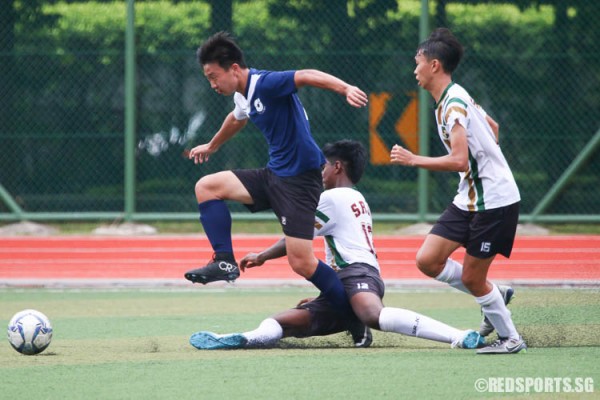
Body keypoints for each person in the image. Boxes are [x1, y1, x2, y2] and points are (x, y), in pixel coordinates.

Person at [189, 140, 484, 350]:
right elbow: (301, 236)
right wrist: (265, 256)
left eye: (323, 166)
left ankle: (458, 336)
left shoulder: (332, 198)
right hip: (341, 284)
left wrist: (264, 255)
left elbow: (296, 235)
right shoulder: (355, 197)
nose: (319, 171)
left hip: (356, 275)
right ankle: (241, 338)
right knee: (286, 322)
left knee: (372, 313)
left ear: (337, 166)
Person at [183, 32, 368, 313]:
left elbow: (305, 74)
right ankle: (224, 261)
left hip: (301, 181)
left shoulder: (266, 83)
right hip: (274, 175)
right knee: (207, 186)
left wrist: (344, 89)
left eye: (213, 76)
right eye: (208, 78)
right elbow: (236, 118)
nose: (212, 84)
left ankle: (351, 315)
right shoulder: (243, 95)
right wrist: (212, 145)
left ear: (234, 68)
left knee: (302, 263)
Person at [390, 28, 526, 354]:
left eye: (418, 63)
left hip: (493, 201)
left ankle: (511, 339)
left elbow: (460, 160)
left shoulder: (452, 104)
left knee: (473, 277)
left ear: (434, 65)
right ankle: (496, 294)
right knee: (428, 259)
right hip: (470, 197)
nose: (415, 70)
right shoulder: (456, 97)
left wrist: (413, 160)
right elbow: (492, 128)